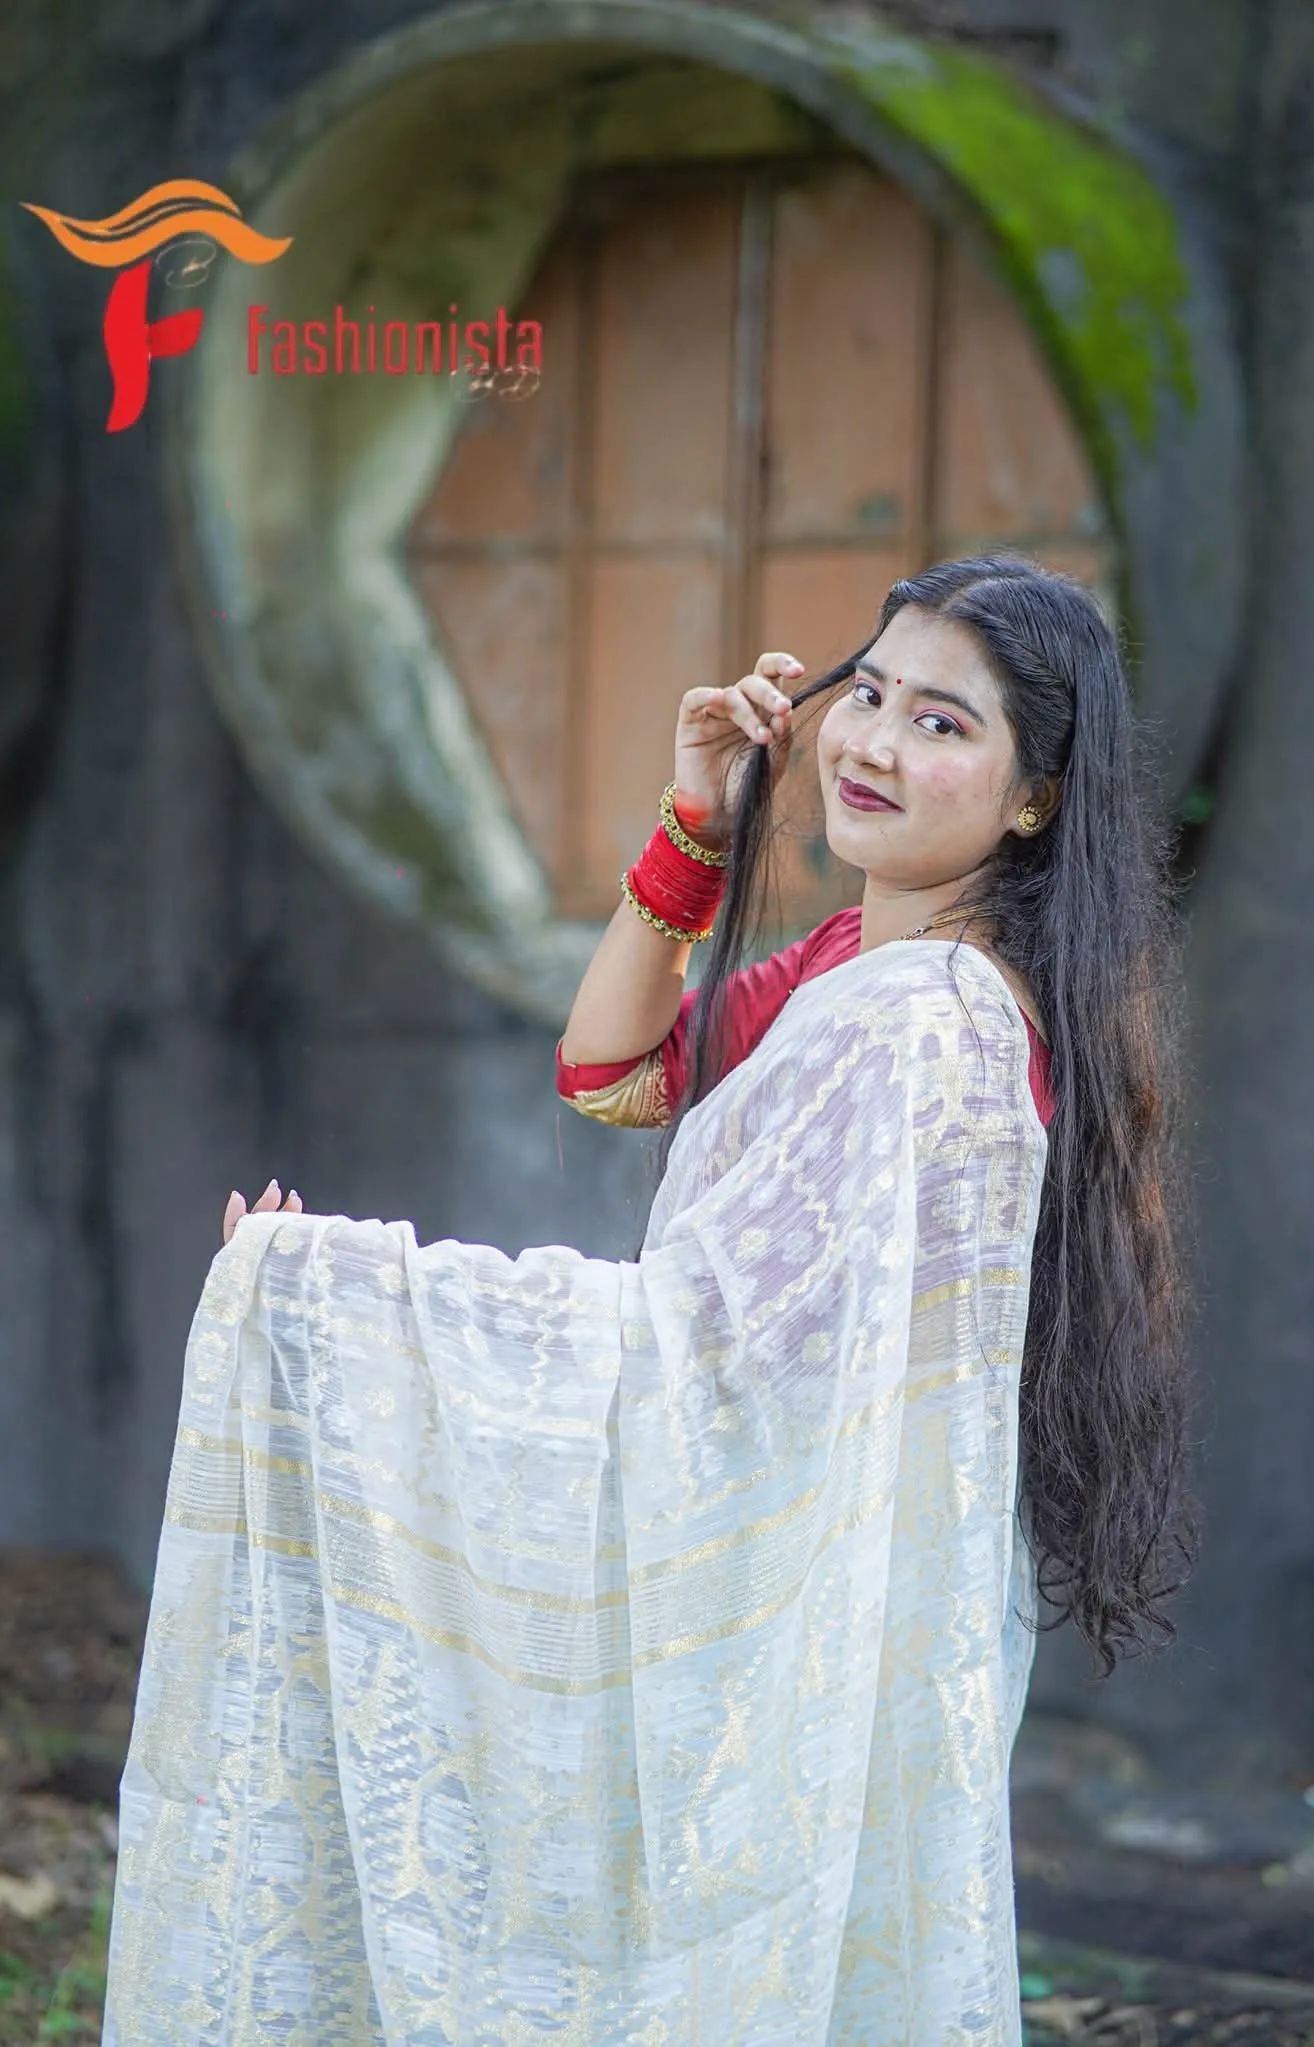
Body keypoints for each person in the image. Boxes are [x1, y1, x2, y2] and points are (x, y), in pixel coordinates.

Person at [106, 555, 1197, 2046]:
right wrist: (697, 817)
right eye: (869, 693)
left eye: (942, 724)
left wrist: (350, 1302)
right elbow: (613, 1073)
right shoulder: (863, 959)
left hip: (803, 1575)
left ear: (1034, 800)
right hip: (828, 1573)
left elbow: (700, 1356)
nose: (874, 743)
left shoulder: (923, 1022)